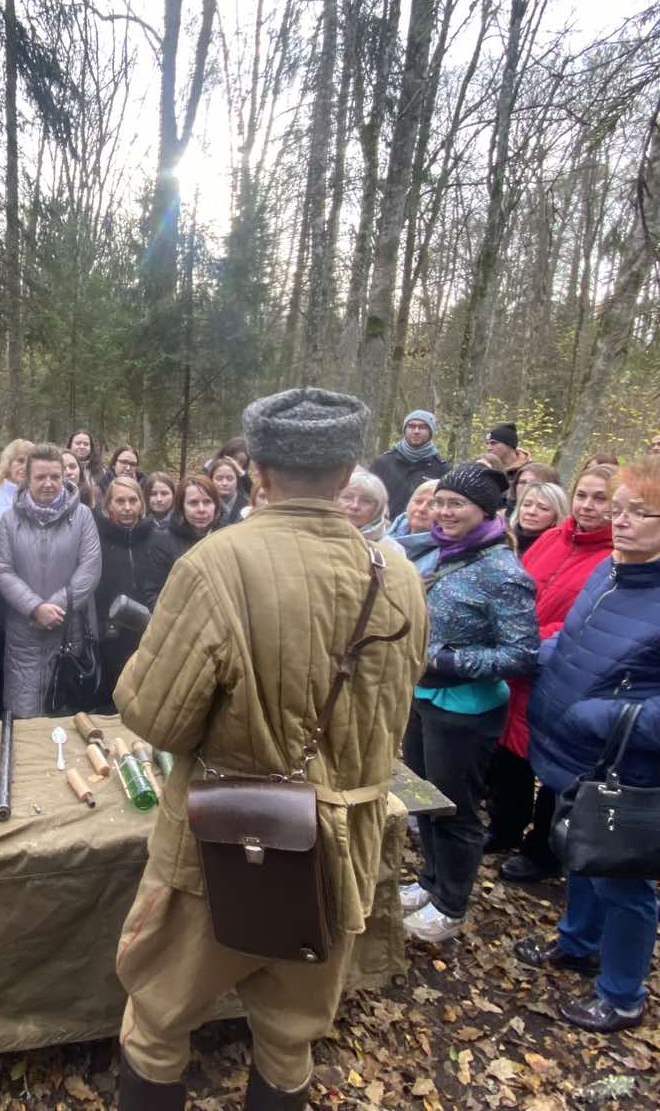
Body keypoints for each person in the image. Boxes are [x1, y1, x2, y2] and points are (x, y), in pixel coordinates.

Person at [112, 388, 427, 1111]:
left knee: (157, 1022)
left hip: (221, 845)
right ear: (346, 473)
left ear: (257, 471)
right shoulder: (401, 575)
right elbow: (394, 705)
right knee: (290, 1038)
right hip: (338, 849)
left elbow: (155, 718)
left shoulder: (216, 564)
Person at [515, 455, 660, 1032]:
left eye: (639, 513)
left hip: (632, 768)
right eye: (618, 509)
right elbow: (578, 642)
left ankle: (621, 994)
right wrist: (539, 659)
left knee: (623, 882)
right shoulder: (613, 569)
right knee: (583, 855)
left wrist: (601, 716)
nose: (618, 521)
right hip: (577, 755)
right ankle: (577, 942)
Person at [398, 464, 539, 943]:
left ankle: (450, 905)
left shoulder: (503, 573)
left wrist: (446, 659)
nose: (443, 511)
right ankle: (429, 882)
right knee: (424, 800)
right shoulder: (437, 552)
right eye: (440, 502)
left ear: (485, 511)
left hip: (465, 710)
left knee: (454, 810)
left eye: (456, 504)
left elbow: (522, 653)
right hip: (421, 696)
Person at [494, 466, 615, 881]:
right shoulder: (551, 538)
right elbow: (516, 589)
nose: (588, 505)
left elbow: (589, 619)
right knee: (512, 751)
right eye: (583, 495)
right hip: (520, 663)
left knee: (555, 762)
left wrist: (531, 641)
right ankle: (505, 827)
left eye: (600, 498)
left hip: (562, 668)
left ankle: (544, 850)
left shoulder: (615, 558)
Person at [0, 444, 102, 718]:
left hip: (69, 630)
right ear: (27, 478)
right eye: (40, 477)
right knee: (25, 714)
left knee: (65, 714)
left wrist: (55, 607)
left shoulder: (82, 517)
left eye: (55, 476)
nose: (48, 483)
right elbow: (2, 570)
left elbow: (90, 568)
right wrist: (35, 608)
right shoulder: (9, 520)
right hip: (24, 631)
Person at [93, 477, 158, 695]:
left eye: (133, 500)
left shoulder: (156, 537)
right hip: (109, 634)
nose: (128, 507)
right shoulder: (97, 538)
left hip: (148, 633)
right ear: (109, 505)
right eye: (120, 501)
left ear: (142, 503)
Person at [141, 474, 221, 609]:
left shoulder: (228, 537)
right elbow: (153, 593)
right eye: (193, 503)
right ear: (182, 507)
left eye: (207, 502)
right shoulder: (163, 541)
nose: (201, 509)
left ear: (216, 506)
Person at [369, 410, 450, 514]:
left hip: (421, 522)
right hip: (384, 522)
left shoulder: (442, 469)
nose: (416, 431)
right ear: (404, 430)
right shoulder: (383, 462)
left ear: (431, 432)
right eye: (411, 426)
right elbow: (368, 496)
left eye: (422, 427)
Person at [0, 438, 33, 539]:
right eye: (20, 461)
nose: (25, 466)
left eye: (30, 462)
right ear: (8, 464)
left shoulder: (39, 500)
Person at [509, 481, 569, 556]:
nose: (531, 512)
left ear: (557, 516)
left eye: (543, 508)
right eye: (527, 505)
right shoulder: (502, 539)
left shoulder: (559, 551)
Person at [337, 470, 390, 541]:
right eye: (347, 497)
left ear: (378, 509)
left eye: (366, 501)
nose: (355, 506)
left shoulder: (389, 546)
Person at [483, 423, 531, 493]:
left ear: (509, 444)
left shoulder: (529, 471)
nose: (489, 448)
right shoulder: (486, 469)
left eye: (493, 443)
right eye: (487, 444)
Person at [208, 455, 248, 527]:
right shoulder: (204, 504)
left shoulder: (247, 507)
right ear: (211, 480)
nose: (225, 483)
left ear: (237, 480)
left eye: (230, 479)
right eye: (219, 479)